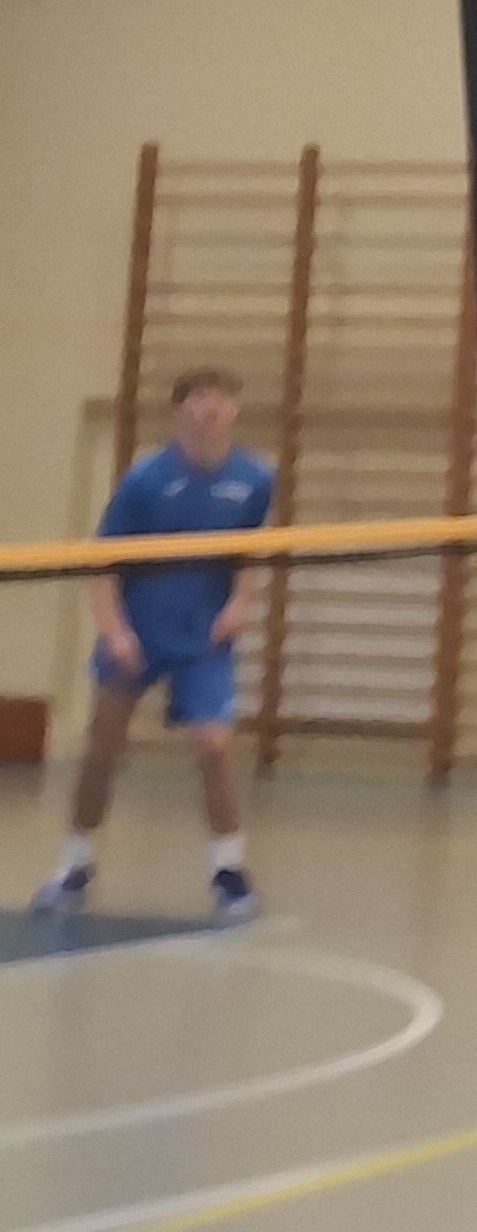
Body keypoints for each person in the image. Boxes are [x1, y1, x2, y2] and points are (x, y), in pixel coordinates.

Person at [34, 367, 274, 922]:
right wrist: (114, 629)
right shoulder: (145, 479)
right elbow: (103, 561)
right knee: (102, 747)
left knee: (214, 747)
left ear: (234, 411)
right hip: (138, 631)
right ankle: (74, 862)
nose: (211, 408)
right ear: (180, 410)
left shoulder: (254, 479)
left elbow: (253, 549)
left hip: (203, 637)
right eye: (200, 398)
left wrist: (241, 602)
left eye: (222, 399)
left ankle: (228, 870)